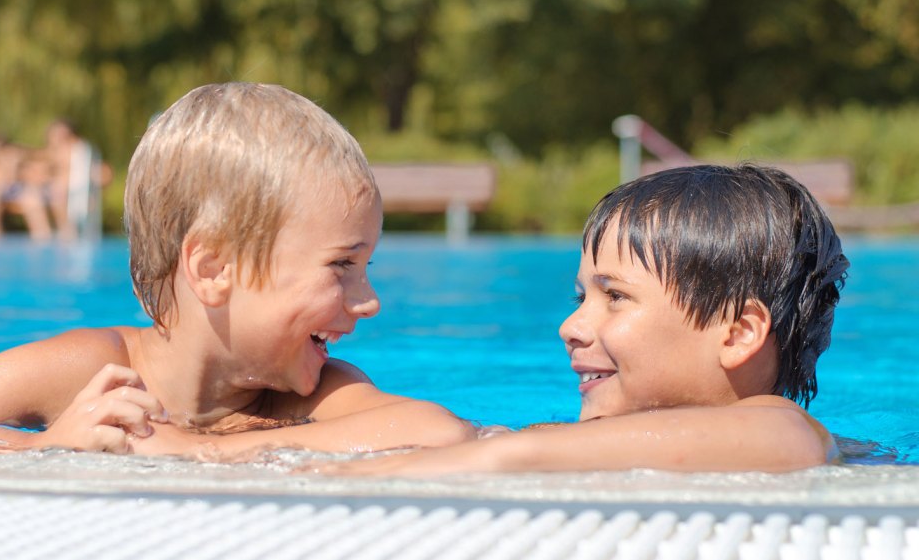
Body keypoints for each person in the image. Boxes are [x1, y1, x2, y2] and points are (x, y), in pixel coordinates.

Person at [0, 83, 473, 456]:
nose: (369, 299)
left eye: (365, 265)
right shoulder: (92, 370)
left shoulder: (312, 394)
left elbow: (438, 431)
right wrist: (41, 452)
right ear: (213, 267)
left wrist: (202, 456)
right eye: (343, 265)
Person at [322, 164, 849, 475]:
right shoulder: (597, 436)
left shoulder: (782, 429)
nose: (569, 327)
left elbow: (788, 437)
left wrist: (500, 458)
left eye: (615, 296)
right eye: (581, 296)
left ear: (737, 334)